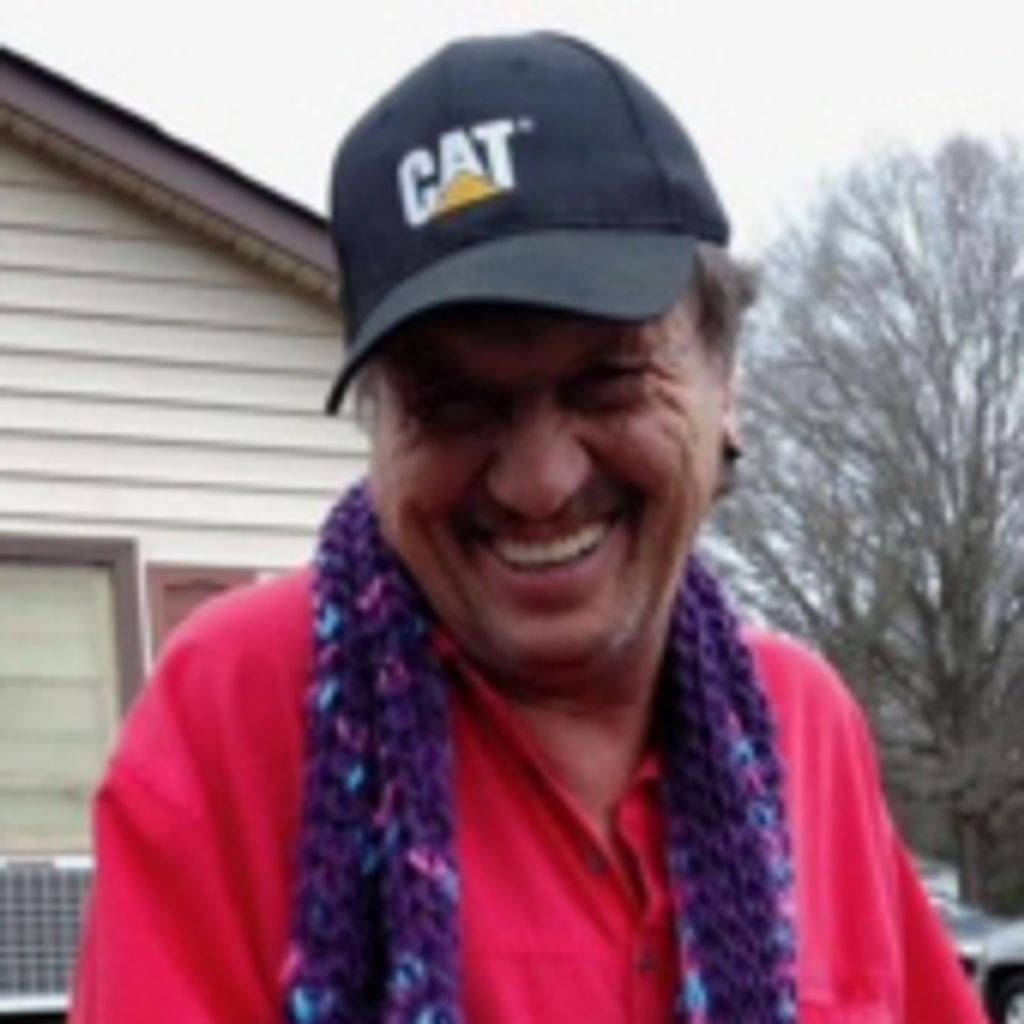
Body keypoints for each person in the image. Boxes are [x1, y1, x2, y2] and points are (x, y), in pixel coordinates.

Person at [71, 32, 986, 1024]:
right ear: (380, 431)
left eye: (609, 379)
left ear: (725, 385)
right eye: (454, 404)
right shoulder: (236, 711)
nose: (539, 483)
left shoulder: (806, 722)